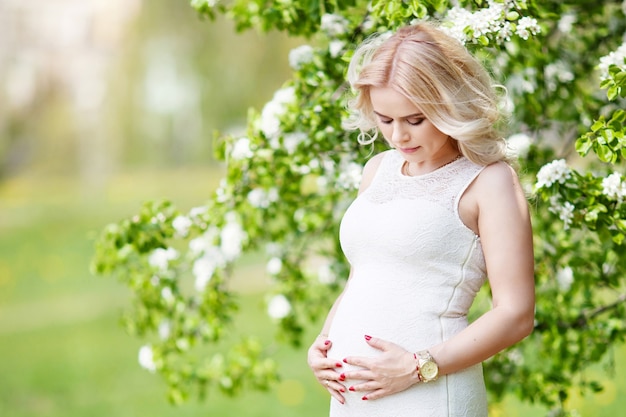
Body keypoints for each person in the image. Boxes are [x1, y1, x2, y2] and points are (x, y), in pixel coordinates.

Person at [307, 22, 535, 417]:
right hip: (353, 396)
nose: (398, 136)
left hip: (429, 392)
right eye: (385, 119)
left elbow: (516, 315)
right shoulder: (378, 168)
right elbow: (367, 275)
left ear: (450, 105)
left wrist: (418, 367)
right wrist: (325, 341)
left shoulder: (489, 181)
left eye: (415, 120)